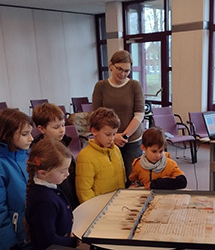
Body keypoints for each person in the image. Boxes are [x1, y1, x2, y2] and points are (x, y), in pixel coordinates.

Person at [0, 108, 34, 250]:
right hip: (17, 238)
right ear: (6, 135)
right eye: (25, 134)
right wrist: (10, 244)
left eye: (30, 133)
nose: (31, 138)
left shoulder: (26, 155)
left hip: (34, 230)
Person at [92, 50, 145, 186]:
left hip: (131, 140)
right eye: (119, 69)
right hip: (107, 140)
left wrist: (124, 136)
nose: (122, 74)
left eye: (127, 71)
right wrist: (113, 136)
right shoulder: (101, 86)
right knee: (112, 179)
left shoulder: (134, 85)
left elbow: (139, 114)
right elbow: (96, 115)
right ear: (111, 65)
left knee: (133, 178)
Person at [25, 137, 78, 249]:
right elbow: (48, 239)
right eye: (62, 171)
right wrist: (72, 241)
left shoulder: (50, 188)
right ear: (43, 173)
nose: (67, 174)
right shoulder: (43, 201)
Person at [31, 103, 79, 209]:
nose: (62, 130)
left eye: (63, 125)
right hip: (54, 201)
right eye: (56, 127)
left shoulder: (64, 143)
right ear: (42, 129)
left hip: (69, 193)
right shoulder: (39, 152)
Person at [75, 107, 125, 203]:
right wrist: (94, 208)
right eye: (107, 134)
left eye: (114, 134)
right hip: (99, 207)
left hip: (117, 201)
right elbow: (84, 191)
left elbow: (121, 178)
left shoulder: (116, 150)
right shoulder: (85, 156)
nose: (111, 139)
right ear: (94, 131)